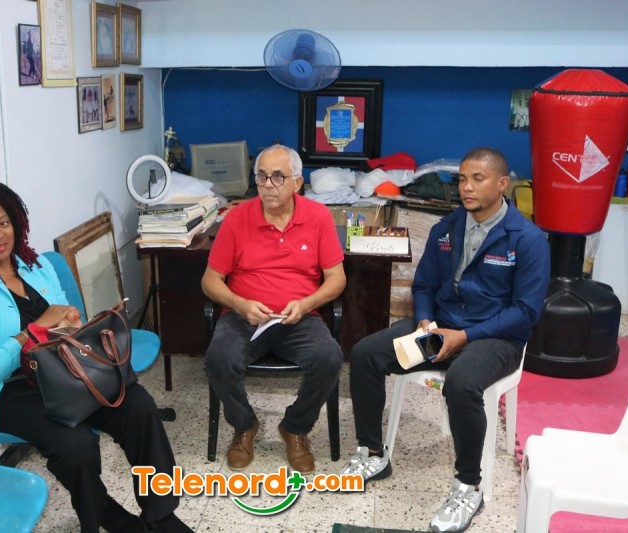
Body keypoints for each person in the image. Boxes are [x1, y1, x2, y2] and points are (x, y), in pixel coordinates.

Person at [0, 181, 192, 533]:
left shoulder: (36, 265)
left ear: (16, 222)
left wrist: (75, 323)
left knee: (138, 405)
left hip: (62, 373)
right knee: (75, 445)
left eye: (4, 222)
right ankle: (108, 518)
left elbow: (69, 323)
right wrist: (30, 332)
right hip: (9, 390)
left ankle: (161, 515)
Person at [340, 148, 550, 532]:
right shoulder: (447, 228)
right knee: (366, 353)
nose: (467, 187)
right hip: (440, 330)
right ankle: (372, 453)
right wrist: (425, 321)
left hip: (495, 337)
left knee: (463, 381)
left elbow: (526, 311)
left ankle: (469, 487)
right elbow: (423, 285)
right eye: (462, 179)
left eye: (478, 179)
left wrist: (466, 336)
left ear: (502, 184)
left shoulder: (528, 239)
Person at [201, 144, 346, 474]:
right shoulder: (237, 218)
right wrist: (240, 304)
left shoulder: (318, 216)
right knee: (218, 359)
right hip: (244, 316)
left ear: (298, 182)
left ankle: (295, 427)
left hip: (299, 317)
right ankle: (245, 424)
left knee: (329, 358)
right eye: (262, 176)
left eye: (278, 177)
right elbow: (210, 281)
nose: (268, 185)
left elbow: (337, 279)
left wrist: (307, 303)